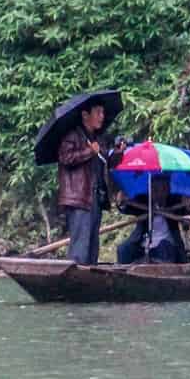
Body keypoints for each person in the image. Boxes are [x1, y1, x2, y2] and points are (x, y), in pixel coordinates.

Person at [56, 100, 116, 265]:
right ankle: (77, 280)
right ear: (85, 115)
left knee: (92, 245)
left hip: (95, 197)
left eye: (103, 113)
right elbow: (65, 158)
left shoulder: (97, 138)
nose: (102, 117)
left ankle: (90, 278)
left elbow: (108, 160)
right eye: (98, 112)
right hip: (79, 198)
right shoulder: (72, 136)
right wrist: (89, 151)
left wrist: (119, 152)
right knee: (80, 246)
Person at [115, 174, 190, 264]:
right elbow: (127, 208)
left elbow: (185, 210)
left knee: (164, 249)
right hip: (143, 244)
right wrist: (121, 202)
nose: (159, 193)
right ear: (150, 189)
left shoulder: (174, 201)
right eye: (155, 189)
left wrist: (188, 205)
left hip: (166, 245)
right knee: (123, 249)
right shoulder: (143, 200)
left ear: (168, 189)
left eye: (163, 189)